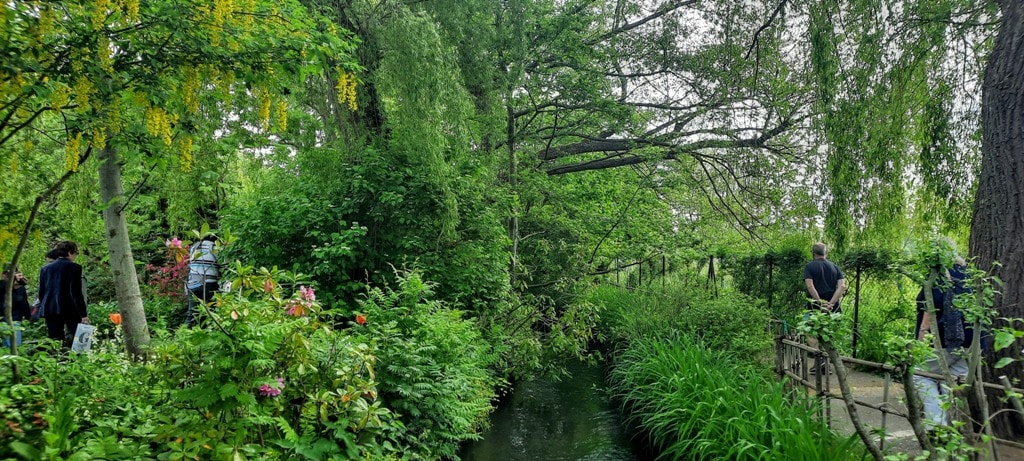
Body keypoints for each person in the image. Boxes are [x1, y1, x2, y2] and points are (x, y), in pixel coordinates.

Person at [913, 259, 972, 432]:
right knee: (954, 378)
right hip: (971, 341)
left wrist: (920, 342)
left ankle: (937, 425)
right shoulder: (968, 275)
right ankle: (953, 426)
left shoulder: (937, 276)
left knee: (920, 374)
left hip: (946, 340)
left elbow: (929, 310)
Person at [801, 242, 846, 374]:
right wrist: (831, 303)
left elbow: (810, 286)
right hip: (834, 308)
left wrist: (820, 302)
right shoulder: (835, 267)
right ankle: (826, 364)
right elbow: (842, 286)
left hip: (814, 307)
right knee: (828, 334)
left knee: (809, 331)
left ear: (813, 253)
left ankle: (819, 361)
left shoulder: (809, 266)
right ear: (826, 253)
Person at [37, 241, 89, 348]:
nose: (75, 256)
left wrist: (44, 306)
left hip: (50, 307)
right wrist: (83, 314)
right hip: (70, 307)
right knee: (80, 339)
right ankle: (80, 360)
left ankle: (57, 361)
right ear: (70, 252)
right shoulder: (75, 267)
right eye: (76, 253)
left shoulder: (45, 269)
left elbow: (41, 292)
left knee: (55, 340)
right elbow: (75, 292)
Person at [184, 235, 220, 327]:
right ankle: (209, 333)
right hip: (208, 284)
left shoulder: (194, 248)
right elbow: (223, 264)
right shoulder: (215, 248)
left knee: (192, 313)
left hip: (192, 284)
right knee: (210, 312)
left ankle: (183, 335)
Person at [1, 268, 33, 347]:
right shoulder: (18, 288)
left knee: (6, 344)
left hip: (7, 318)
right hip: (14, 319)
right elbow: (23, 304)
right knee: (15, 344)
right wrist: (28, 316)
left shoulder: (19, 287)